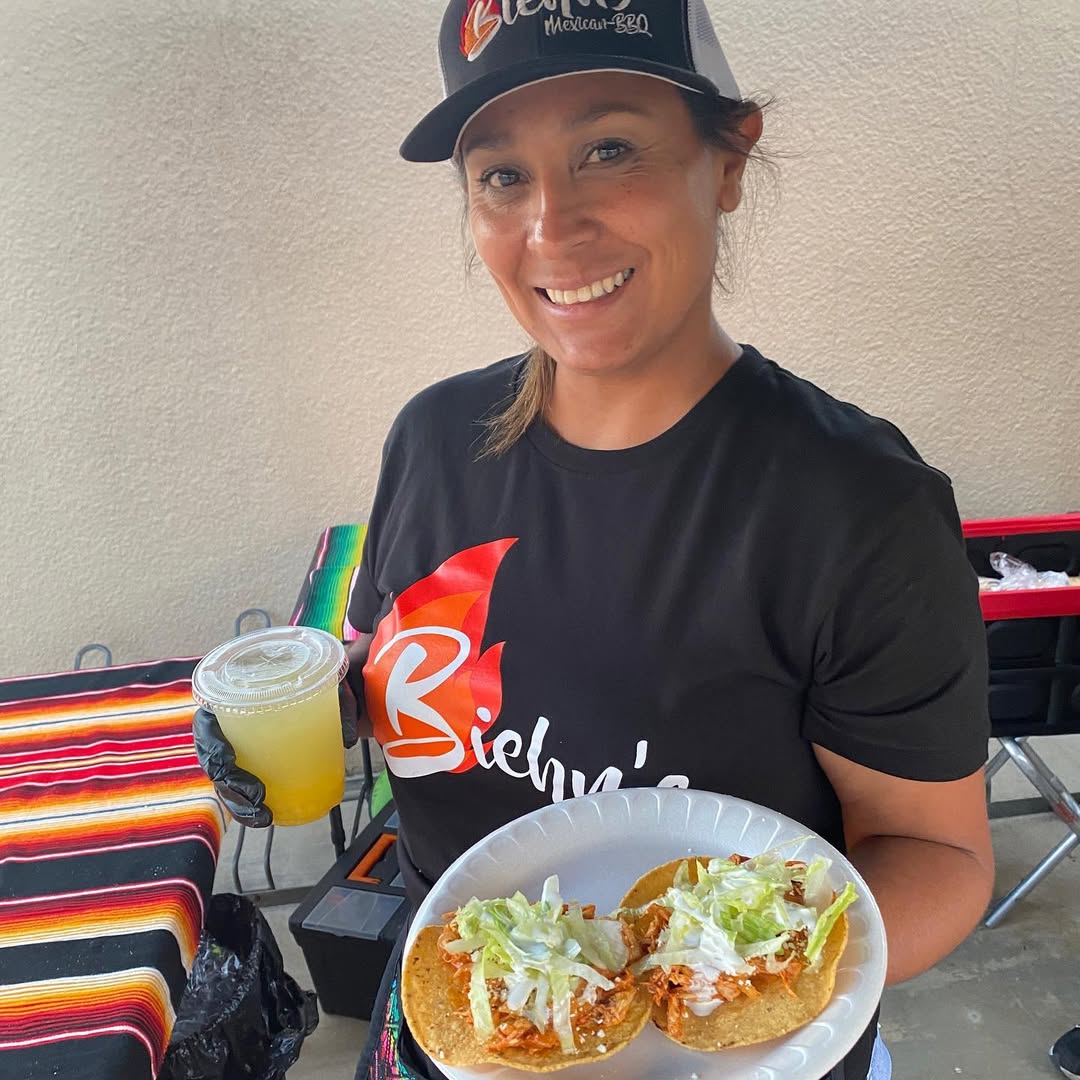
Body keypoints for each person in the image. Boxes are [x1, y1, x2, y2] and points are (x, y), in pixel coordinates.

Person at [195, 3, 995, 1077]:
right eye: (501, 176)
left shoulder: (857, 509)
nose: (551, 227)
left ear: (727, 160)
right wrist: (322, 711)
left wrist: (732, 976)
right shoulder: (434, 440)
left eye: (608, 149)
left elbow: (938, 852)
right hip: (463, 1016)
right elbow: (412, 667)